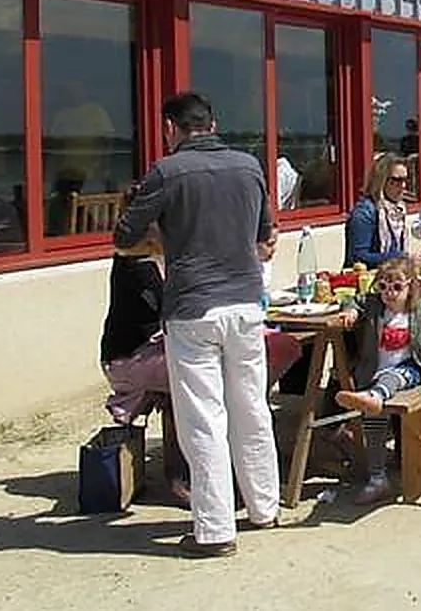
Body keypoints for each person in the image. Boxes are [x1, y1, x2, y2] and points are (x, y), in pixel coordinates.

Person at [112, 91, 280, 557]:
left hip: (192, 307)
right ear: (213, 122)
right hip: (247, 302)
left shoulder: (166, 171)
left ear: (171, 128)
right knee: (251, 408)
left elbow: (124, 235)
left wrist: (166, 240)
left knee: (203, 419)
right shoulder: (249, 166)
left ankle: (215, 529)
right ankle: (265, 506)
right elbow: (265, 236)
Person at [100, 250, 302, 504]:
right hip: (130, 358)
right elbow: (174, 311)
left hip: (170, 346)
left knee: (278, 350)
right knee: (202, 376)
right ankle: (186, 477)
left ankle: (237, 462)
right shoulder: (136, 264)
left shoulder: (181, 253)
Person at [333, 258, 421, 504]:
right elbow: (354, 299)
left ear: (411, 287)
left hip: (409, 371)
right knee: (374, 426)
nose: (389, 293)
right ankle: (378, 479)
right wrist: (350, 309)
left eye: (397, 287)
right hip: (372, 374)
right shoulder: (376, 307)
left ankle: (374, 397)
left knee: (392, 378)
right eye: (383, 286)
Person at [345, 154, 410, 268]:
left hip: (393, 274)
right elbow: (358, 257)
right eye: (396, 180)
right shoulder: (365, 212)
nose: (403, 185)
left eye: (405, 179)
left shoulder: (398, 209)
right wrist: (399, 256)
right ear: (381, 180)